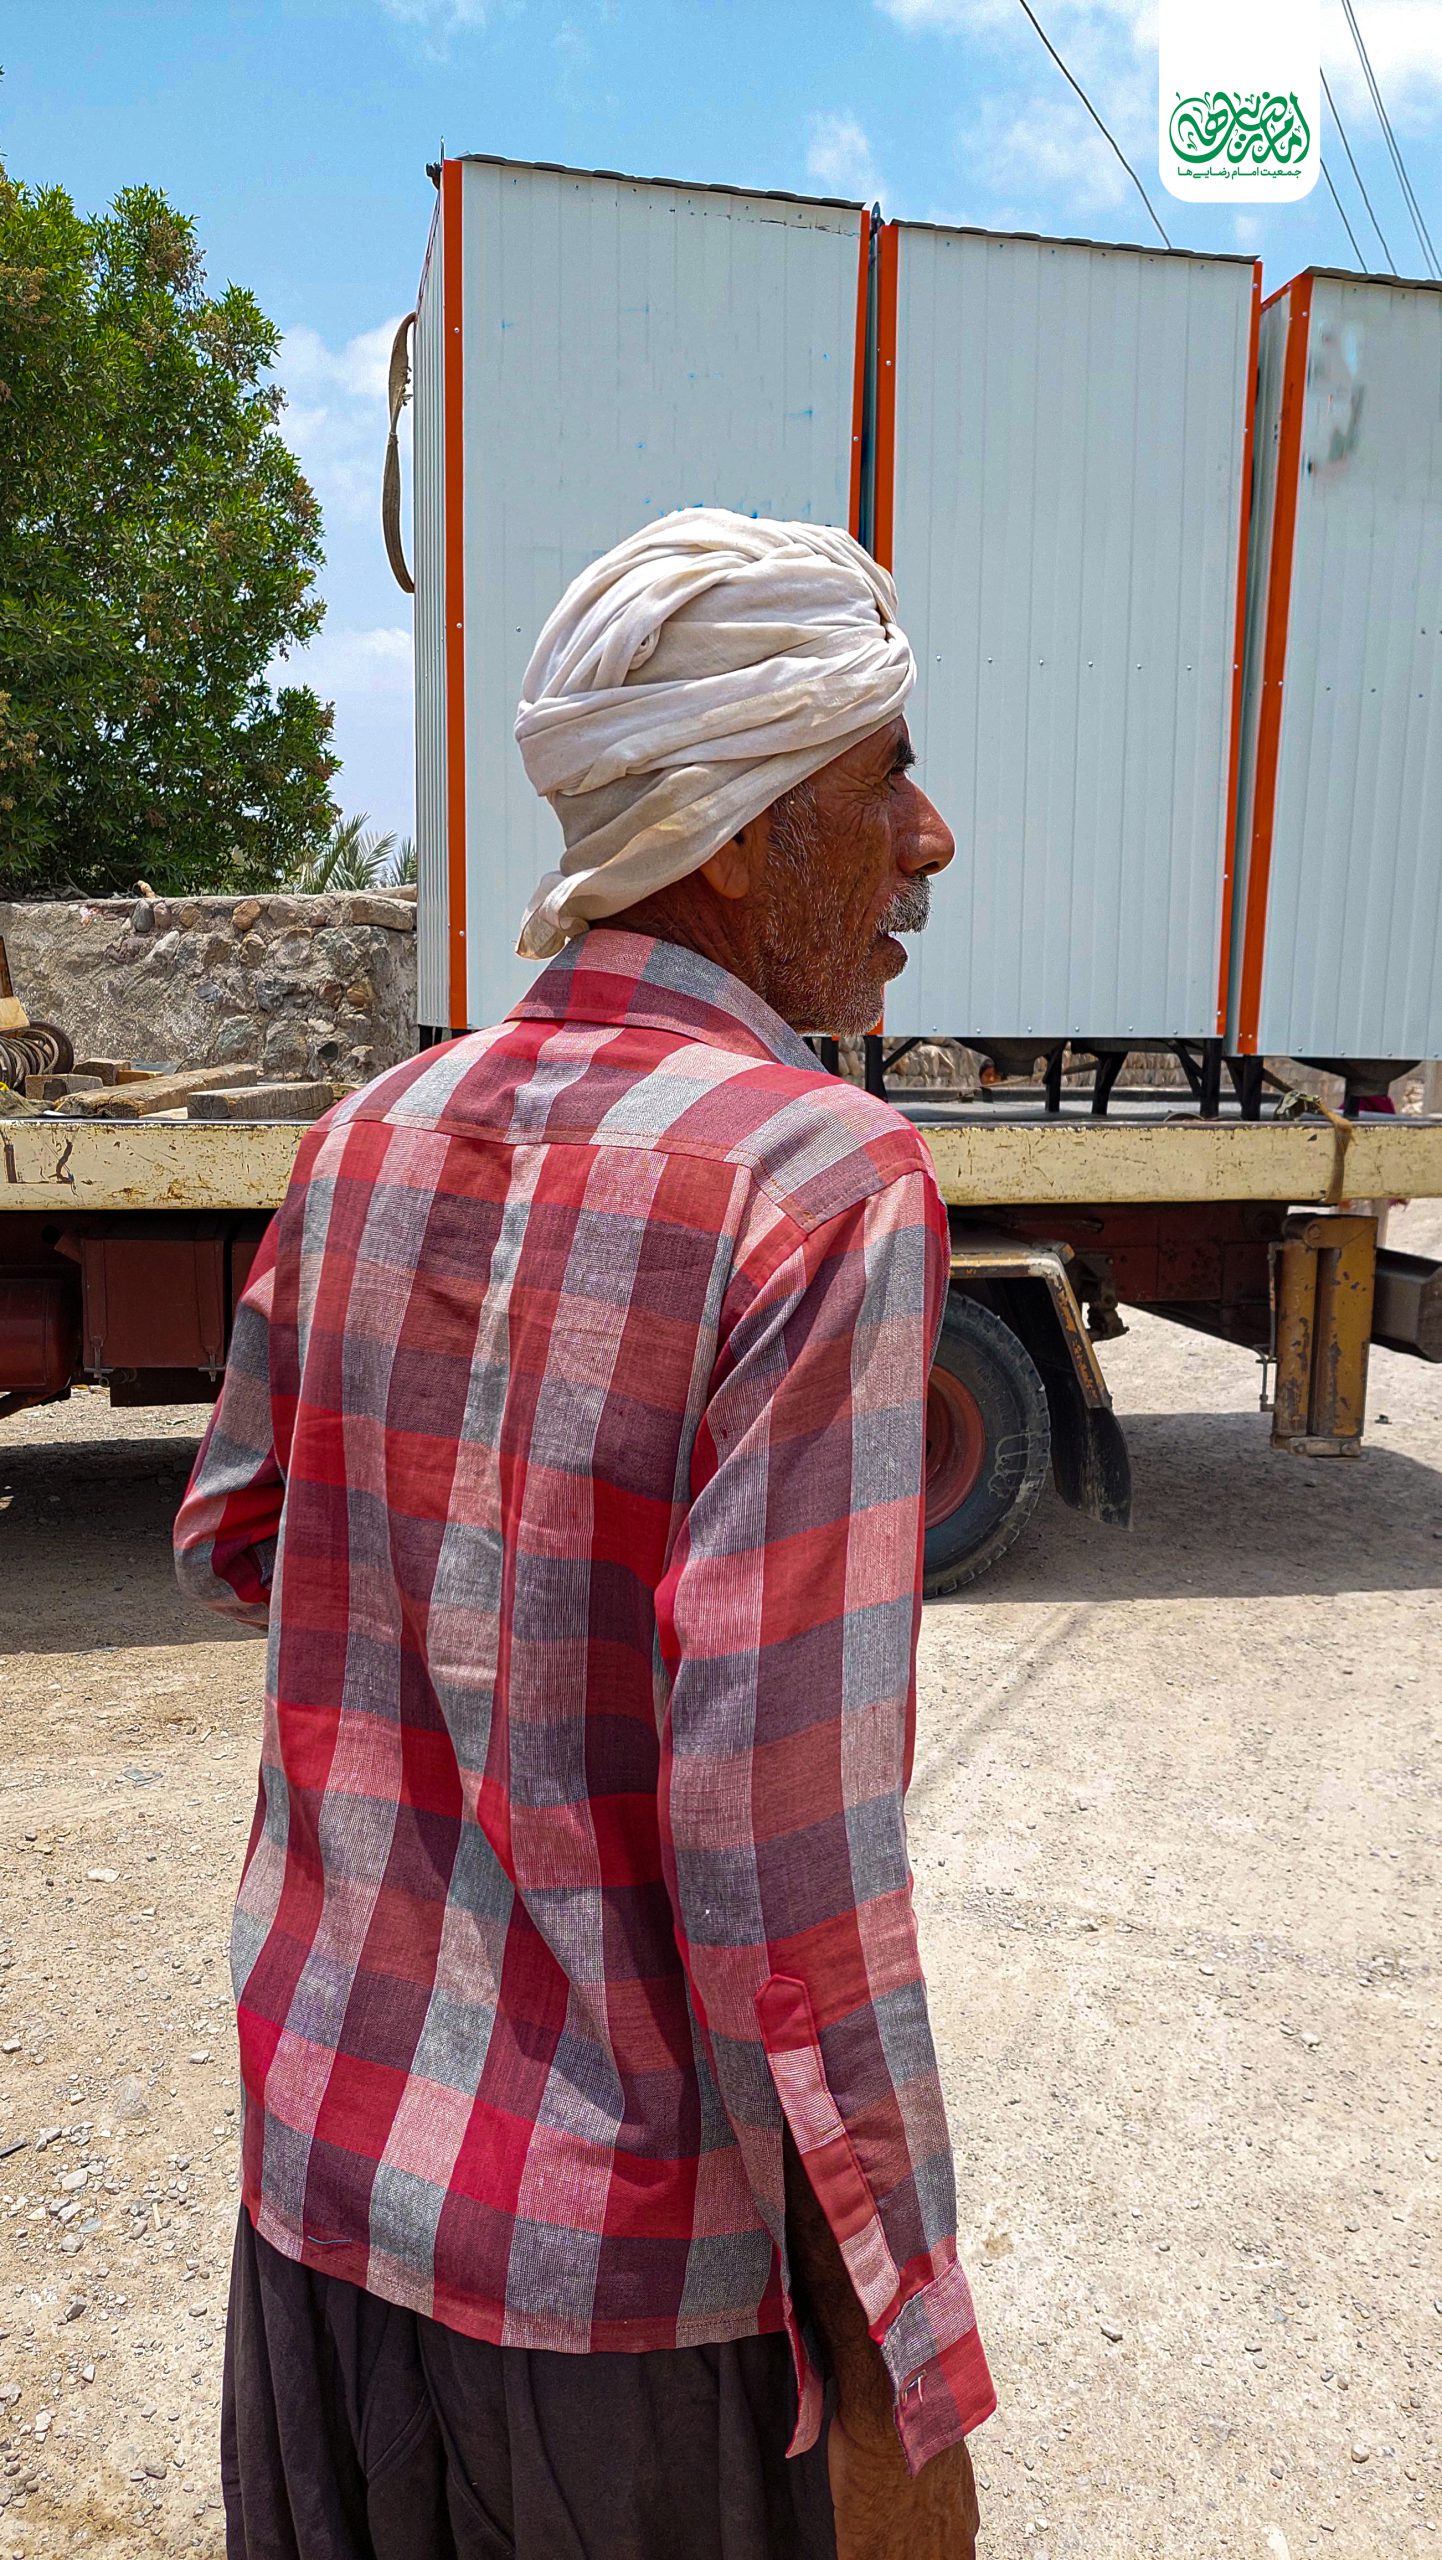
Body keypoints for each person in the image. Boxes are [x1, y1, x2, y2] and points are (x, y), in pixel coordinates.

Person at [175, 509, 993, 2560]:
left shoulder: (359, 1139)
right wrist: (896, 2382)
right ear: (735, 837)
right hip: (621, 2312)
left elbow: (245, 1535)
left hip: (320, 2213)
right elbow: (780, 1852)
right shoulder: (819, 1184)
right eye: (885, 772)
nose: (929, 836)